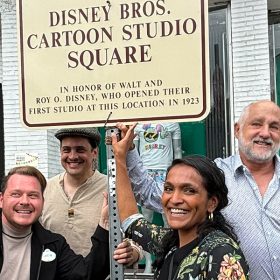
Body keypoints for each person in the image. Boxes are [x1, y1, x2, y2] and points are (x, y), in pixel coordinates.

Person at [121, 100, 280, 280]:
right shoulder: (212, 177)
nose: (265, 133)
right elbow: (149, 193)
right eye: (256, 124)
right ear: (237, 130)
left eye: (274, 127)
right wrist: (128, 149)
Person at [111, 125, 249, 279]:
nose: (175, 199)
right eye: (169, 189)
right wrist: (122, 156)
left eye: (189, 190)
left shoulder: (222, 254)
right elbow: (131, 221)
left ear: (212, 203)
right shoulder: (169, 243)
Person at [0, 165, 133, 280]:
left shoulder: (53, 244)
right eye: (16, 194)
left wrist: (104, 225)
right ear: (1, 200)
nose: (24, 201)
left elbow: (86, 275)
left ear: (42, 202)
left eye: (33, 195)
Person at [40, 127, 141, 265]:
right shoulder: (44, 189)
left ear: (94, 153)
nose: (72, 156)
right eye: (66, 150)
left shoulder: (113, 188)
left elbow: (136, 238)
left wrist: (132, 253)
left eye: (80, 150)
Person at [134, 122, 182, 272]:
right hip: (145, 173)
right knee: (146, 220)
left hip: (165, 173)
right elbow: (133, 153)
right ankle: (149, 261)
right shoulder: (138, 125)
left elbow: (178, 151)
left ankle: (167, 259)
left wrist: (178, 175)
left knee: (169, 219)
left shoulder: (173, 123)